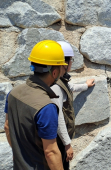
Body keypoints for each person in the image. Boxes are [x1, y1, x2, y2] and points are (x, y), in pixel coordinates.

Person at [4, 40, 67, 170]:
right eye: (61, 67)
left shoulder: (13, 93)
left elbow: (7, 127)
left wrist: (20, 156)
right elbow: (51, 152)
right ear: (54, 72)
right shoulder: (46, 107)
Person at [50, 41, 95, 170]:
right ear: (64, 62)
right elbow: (57, 116)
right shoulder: (56, 86)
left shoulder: (57, 80)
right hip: (58, 141)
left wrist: (85, 85)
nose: (72, 63)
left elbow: (70, 87)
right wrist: (67, 144)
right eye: (71, 60)